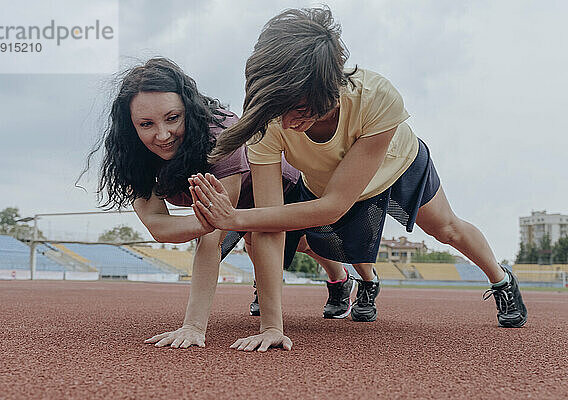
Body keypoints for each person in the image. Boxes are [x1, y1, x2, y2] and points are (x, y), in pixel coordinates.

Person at [189, 7, 528, 352]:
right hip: (326, 180)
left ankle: (501, 280)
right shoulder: (268, 118)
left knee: (445, 228)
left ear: (329, 89)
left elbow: (334, 207)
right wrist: (272, 327)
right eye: (278, 107)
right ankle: (363, 281)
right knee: (326, 241)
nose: (287, 121)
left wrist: (234, 218)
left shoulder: (377, 97)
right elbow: (269, 225)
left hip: (396, 165)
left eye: (300, 109)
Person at [84, 57, 349, 349]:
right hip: (226, 208)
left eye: (173, 118)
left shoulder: (219, 132)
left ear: (189, 109)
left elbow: (212, 238)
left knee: (296, 242)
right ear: (130, 126)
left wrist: (194, 326)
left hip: (281, 187)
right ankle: (319, 278)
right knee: (253, 241)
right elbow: (158, 225)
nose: (161, 135)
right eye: (146, 124)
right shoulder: (130, 153)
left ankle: (339, 276)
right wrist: (204, 219)